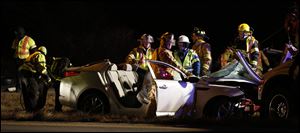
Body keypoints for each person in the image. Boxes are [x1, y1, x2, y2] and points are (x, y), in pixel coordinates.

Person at [18, 46, 51, 112]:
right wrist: (47, 77)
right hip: (29, 75)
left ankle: (28, 109)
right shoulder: (40, 55)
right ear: (44, 52)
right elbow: (41, 68)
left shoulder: (33, 55)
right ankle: (33, 111)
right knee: (33, 92)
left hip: (22, 74)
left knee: (26, 93)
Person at [11, 26, 37, 91]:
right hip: (17, 60)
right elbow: (13, 49)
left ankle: (28, 87)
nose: (15, 35)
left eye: (17, 33)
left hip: (26, 60)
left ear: (20, 33)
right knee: (17, 74)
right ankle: (18, 88)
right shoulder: (16, 40)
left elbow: (34, 51)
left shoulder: (29, 40)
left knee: (26, 74)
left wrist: (31, 60)